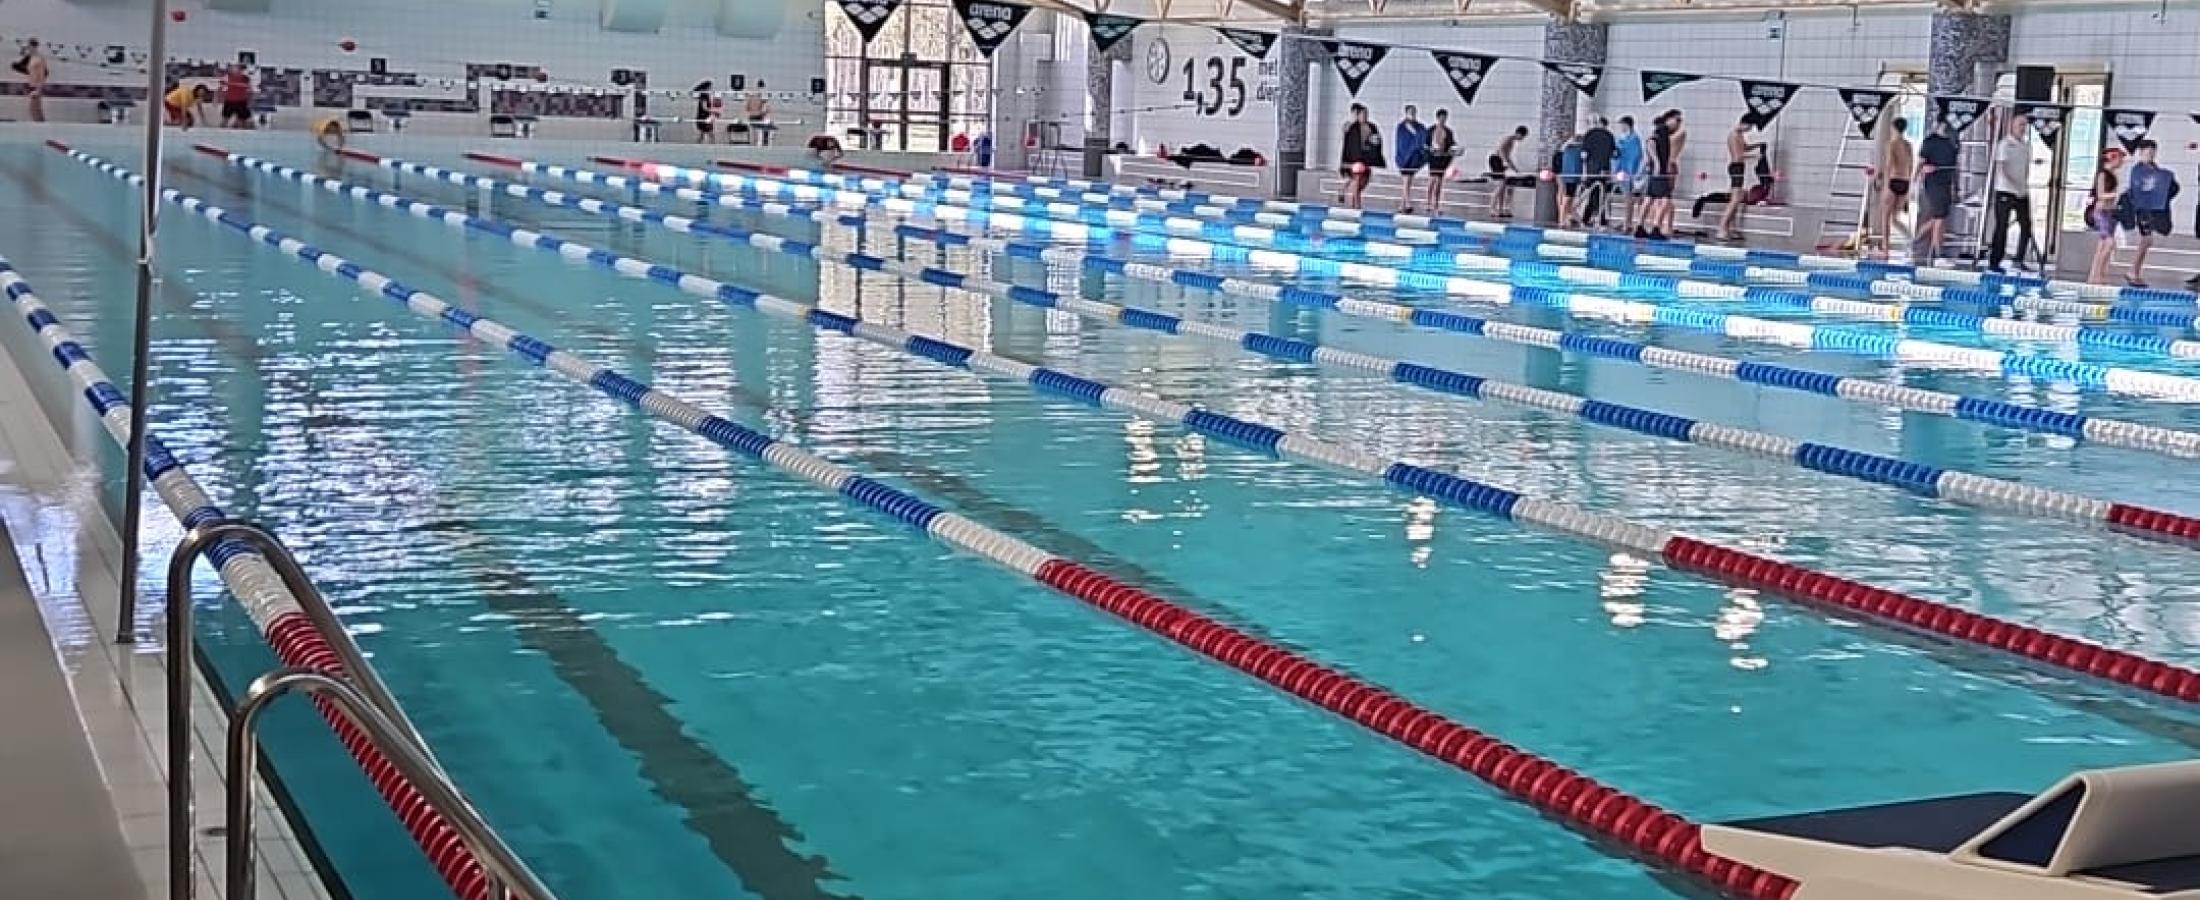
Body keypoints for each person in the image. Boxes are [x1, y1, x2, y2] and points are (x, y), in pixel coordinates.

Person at [2120, 139, 2178, 288]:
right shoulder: (2138, 171)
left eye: (2153, 153)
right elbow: (2137, 191)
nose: (2151, 155)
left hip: (2153, 209)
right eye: (2148, 153)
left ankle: (2134, 271)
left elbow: (2170, 188)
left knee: (2147, 240)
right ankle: (2133, 271)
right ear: (2141, 153)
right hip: (2143, 210)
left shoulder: (2156, 170)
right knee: (2146, 240)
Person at [1986, 113, 2035, 273]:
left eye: (2025, 125)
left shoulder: (2026, 146)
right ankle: (1995, 262)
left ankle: (2018, 259)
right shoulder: (2004, 145)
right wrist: (2015, 185)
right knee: (2002, 226)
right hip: (2005, 190)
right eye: (2020, 125)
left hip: (2021, 191)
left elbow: (2025, 169)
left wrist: (2023, 186)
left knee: (2026, 226)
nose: (2023, 128)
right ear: (2012, 126)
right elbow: (2002, 169)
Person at [1913, 120, 1959, 265]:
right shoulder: (1930, 142)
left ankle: (1917, 242)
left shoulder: (1953, 143)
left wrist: (1956, 188)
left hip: (1946, 183)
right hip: (1933, 183)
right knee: (1939, 218)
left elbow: (1955, 168)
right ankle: (1938, 254)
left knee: (1939, 218)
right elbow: (1920, 162)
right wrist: (1914, 180)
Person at [1717, 117, 1765, 241]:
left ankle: (1730, 228)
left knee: (1736, 199)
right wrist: (1755, 156)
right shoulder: (1734, 135)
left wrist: (1758, 145)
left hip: (1738, 168)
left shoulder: (1739, 134)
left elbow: (1745, 148)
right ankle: (1722, 228)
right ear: (1744, 123)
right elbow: (1738, 156)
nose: (1750, 129)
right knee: (1735, 200)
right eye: (1750, 127)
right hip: (1736, 168)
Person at [2085, 148, 2127, 286]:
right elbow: (2100, 195)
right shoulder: (2102, 175)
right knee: (2109, 243)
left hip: (2110, 213)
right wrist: (2116, 195)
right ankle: (2098, 274)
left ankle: (2096, 276)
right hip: (2100, 212)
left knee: (2102, 245)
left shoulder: (2113, 175)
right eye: (2120, 158)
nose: (2122, 162)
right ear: (2112, 158)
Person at [1641, 110, 1684, 240]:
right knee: (1665, 200)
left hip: (1655, 171)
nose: (1679, 124)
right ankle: (1656, 228)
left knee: (1649, 198)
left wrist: (1650, 161)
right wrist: (1657, 163)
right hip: (1660, 172)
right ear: (1668, 119)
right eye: (1678, 120)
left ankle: (1640, 227)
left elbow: (1650, 143)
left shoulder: (1660, 131)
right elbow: (1651, 142)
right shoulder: (1663, 132)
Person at [1874, 119, 1914, 257]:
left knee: (1885, 217)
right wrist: (1908, 188)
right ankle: (1911, 240)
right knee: (1895, 219)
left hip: (1893, 181)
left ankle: (1885, 249)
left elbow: (1889, 165)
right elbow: (1911, 166)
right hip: (1904, 182)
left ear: (1894, 128)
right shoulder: (1908, 145)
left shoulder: (1891, 144)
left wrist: (1885, 186)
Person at [1336, 103, 1384, 209]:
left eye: (1366, 114)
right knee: (1356, 180)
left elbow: (1377, 141)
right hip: (1353, 159)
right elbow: (1346, 132)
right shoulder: (1351, 126)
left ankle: (1345, 192)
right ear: (1358, 115)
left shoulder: (1371, 127)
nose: (1365, 116)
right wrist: (1352, 120)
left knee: (1363, 182)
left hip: (1366, 159)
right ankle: (1355, 205)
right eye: (1362, 114)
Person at [1486, 125, 1529, 218]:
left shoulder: (1512, 142)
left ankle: (1501, 209)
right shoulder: (1508, 139)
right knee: (1501, 185)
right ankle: (1492, 209)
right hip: (1495, 159)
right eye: (1523, 137)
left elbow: (1507, 156)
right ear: (1519, 134)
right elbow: (1501, 151)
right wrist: (1505, 162)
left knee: (1505, 186)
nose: (1522, 139)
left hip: (1500, 160)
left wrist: (1514, 168)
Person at [1581, 116, 1616, 228]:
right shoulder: (1609, 136)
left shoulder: (1590, 134)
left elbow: (1584, 154)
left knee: (1592, 193)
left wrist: (1584, 171)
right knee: (1602, 194)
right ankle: (1600, 218)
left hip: (1592, 168)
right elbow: (1614, 154)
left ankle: (1588, 217)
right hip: (1604, 168)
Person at [1393, 105, 1429, 214]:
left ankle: (1402, 205)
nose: (1412, 115)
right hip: (1404, 158)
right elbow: (1400, 143)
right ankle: (1407, 203)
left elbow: (1423, 139)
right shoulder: (1401, 127)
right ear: (1406, 113)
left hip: (1414, 158)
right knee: (1406, 180)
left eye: (1413, 112)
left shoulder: (1419, 127)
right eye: (1410, 112)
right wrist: (1402, 157)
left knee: (1408, 181)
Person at [1424, 108, 1459, 214]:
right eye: (1442, 118)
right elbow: (1425, 144)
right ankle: (1428, 202)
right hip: (1433, 158)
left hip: (1443, 158)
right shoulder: (1431, 130)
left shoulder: (1448, 132)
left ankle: (1436, 204)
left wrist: (1454, 151)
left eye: (1445, 118)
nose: (1443, 120)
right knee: (1432, 180)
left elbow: (1452, 144)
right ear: (1438, 118)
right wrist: (1430, 150)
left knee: (1439, 182)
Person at [1615, 116, 1646, 232]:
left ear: (1627, 125)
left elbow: (1636, 157)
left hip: (1630, 172)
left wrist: (1634, 173)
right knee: (1627, 197)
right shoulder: (1623, 138)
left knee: (1631, 197)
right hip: (1622, 171)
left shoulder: (1634, 139)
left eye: (1622, 125)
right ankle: (1627, 221)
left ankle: (1629, 222)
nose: (1621, 128)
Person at [1554, 130, 1584, 227]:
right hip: (1569, 175)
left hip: (1569, 175)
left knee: (1568, 197)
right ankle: (1562, 219)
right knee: (1567, 197)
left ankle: (1565, 217)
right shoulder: (1570, 148)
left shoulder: (1567, 149)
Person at [14, 39, 48, 123]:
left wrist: (38, 89)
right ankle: (41, 125)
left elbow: (42, 75)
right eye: (28, 47)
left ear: (34, 47)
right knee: (34, 109)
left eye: (29, 46)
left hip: (37, 86)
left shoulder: (39, 58)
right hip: (32, 85)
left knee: (34, 109)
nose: (28, 48)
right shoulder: (31, 58)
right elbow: (23, 66)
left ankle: (41, 126)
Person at [220, 64, 255, 129]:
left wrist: (250, 101)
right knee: (225, 120)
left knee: (244, 121)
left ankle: (239, 128)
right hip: (230, 101)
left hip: (241, 101)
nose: (239, 70)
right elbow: (221, 88)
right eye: (238, 68)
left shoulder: (246, 78)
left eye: (241, 69)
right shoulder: (227, 77)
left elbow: (250, 90)